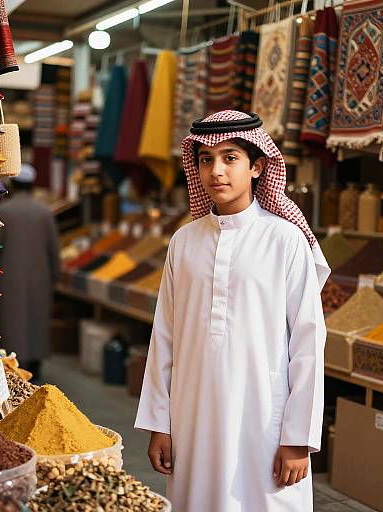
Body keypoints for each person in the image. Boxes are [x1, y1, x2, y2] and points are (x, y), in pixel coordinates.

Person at [135, 110, 330, 512]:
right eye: (206, 159)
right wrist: (159, 424)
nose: (216, 171)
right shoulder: (184, 242)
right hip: (193, 417)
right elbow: (164, 338)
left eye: (230, 158)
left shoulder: (286, 240)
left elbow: (309, 343)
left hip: (263, 418)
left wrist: (297, 438)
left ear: (258, 166)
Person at [0, 164, 60, 379]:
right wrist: (55, 277)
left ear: (13, 184)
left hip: (8, 281)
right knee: (36, 321)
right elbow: (54, 250)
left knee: (12, 323)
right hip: (40, 278)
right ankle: (36, 369)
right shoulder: (45, 212)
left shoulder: (2, 211)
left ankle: (13, 368)